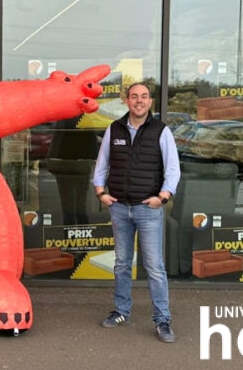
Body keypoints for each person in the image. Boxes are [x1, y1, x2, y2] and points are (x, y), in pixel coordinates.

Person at [92, 82, 180, 344]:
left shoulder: (161, 131)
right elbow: (101, 165)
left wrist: (162, 198)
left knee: (154, 267)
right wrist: (101, 194)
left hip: (147, 209)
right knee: (121, 264)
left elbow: (173, 169)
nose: (139, 101)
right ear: (127, 101)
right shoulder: (114, 129)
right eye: (134, 97)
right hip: (119, 208)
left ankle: (162, 320)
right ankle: (121, 311)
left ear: (150, 102)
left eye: (143, 97)